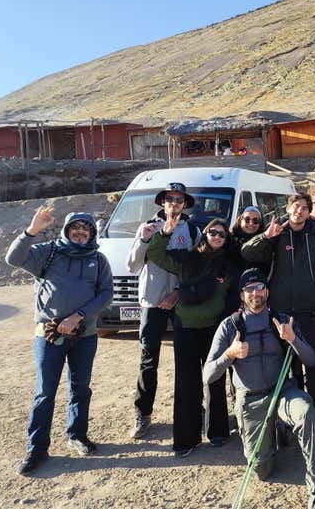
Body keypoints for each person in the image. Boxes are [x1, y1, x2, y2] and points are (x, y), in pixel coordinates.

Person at [203, 268, 315, 509]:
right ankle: (272, 433)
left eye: (259, 287)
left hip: (282, 392)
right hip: (250, 399)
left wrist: (292, 339)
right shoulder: (229, 326)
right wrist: (229, 354)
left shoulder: (282, 321)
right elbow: (208, 376)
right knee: (262, 470)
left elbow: (311, 360)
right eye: (249, 289)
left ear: (267, 291)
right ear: (241, 295)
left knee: (308, 413)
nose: (255, 293)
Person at [6, 206, 114, 475]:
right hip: (49, 335)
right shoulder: (48, 252)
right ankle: (37, 448)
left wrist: (78, 316)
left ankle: (77, 434)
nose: (81, 232)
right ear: (67, 230)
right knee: (45, 392)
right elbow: (13, 259)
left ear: (92, 233)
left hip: (84, 335)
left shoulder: (98, 259)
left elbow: (105, 294)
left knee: (80, 388)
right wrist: (32, 230)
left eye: (86, 229)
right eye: (75, 228)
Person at [147, 216, 235, 457]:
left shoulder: (228, 264)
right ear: (205, 234)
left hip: (214, 328)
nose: (217, 237)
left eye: (222, 234)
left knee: (215, 379)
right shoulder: (187, 259)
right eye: (213, 232)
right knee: (187, 383)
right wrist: (165, 232)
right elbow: (156, 254)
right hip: (186, 327)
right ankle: (187, 438)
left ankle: (218, 430)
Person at [242, 194, 315, 411]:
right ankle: (296, 409)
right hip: (282, 312)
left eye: (304, 208)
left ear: (308, 211)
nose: (299, 211)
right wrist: (265, 236)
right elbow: (246, 252)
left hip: (311, 311)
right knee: (289, 364)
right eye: (296, 206)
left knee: (313, 363)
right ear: (288, 208)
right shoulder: (277, 234)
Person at [125, 182, 199, 439]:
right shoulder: (148, 226)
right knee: (148, 360)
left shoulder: (191, 229)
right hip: (152, 303)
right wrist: (145, 239)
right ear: (162, 202)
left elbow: (195, 269)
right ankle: (142, 414)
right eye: (170, 199)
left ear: (184, 204)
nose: (174, 204)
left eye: (179, 200)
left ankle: (193, 411)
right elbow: (132, 264)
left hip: (181, 302)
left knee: (188, 360)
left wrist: (179, 293)